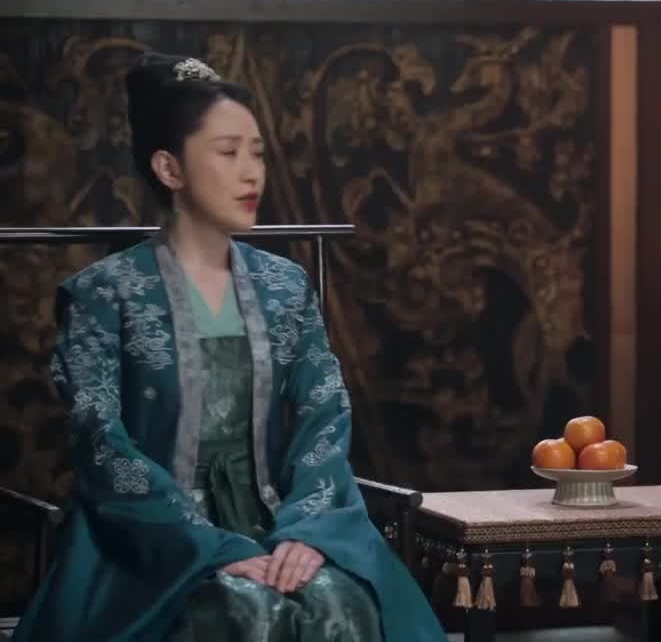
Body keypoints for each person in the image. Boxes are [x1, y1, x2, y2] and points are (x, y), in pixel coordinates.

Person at [12, 52, 446, 641]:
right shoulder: (104, 294)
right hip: (150, 537)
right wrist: (208, 546)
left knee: (338, 603)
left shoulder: (284, 286)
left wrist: (307, 533)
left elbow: (323, 414)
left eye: (257, 153)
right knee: (244, 611)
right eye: (228, 152)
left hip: (278, 518)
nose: (252, 173)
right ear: (169, 168)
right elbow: (100, 441)